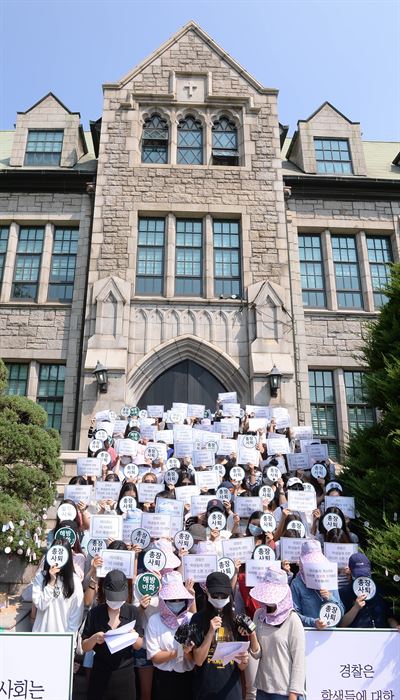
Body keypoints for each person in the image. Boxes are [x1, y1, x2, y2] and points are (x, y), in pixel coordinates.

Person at [82, 569, 144, 700]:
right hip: (100, 673)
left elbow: (139, 645)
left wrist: (133, 636)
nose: (115, 602)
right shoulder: (95, 613)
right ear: (105, 592)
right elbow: (84, 646)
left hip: (125, 674)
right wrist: (94, 639)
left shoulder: (133, 612)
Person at [191, 572, 249, 700]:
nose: (219, 599)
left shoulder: (237, 621)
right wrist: (210, 632)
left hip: (231, 692)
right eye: (215, 595)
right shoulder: (197, 619)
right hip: (205, 691)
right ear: (207, 592)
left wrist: (244, 659)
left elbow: (241, 666)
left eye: (223, 595)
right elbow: (198, 661)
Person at [249, 567, 305, 700]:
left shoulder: (293, 620)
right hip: (262, 688)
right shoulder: (259, 615)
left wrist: (294, 694)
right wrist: (251, 634)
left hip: (284, 692)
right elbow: (257, 654)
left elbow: (299, 660)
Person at [145, 570, 196, 698]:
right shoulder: (154, 620)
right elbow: (154, 656)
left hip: (187, 678)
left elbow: (195, 656)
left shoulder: (190, 619)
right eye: (172, 600)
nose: (176, 602)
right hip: (163, 678)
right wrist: (180, 651)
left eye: (180, 599)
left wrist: (187, 652)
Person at [32, 539, 84, 636]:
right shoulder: (40, 577)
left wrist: (68, 639)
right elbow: (40, 605)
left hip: (62, 639)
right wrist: (51, 582)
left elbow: (76, 617)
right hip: (40, 636)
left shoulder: (75, 581)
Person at [290, 540, 344, 629]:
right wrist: (313, 623)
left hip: (331, 634)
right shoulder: (297, 584)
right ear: (302, 564)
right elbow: (294, 615)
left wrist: (330, 598)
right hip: (309, 634)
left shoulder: (329, 578)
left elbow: (341, 611)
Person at [339, 553, 400, 629]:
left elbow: (389, 617)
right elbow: (341, 624)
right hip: (355, 638)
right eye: (358, 574)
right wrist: (355, 608)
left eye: (365, 573)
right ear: (350, 571)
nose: (362, 576)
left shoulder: (380, 590)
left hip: (381, 637)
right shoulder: (344, 592)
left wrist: (396, 626)